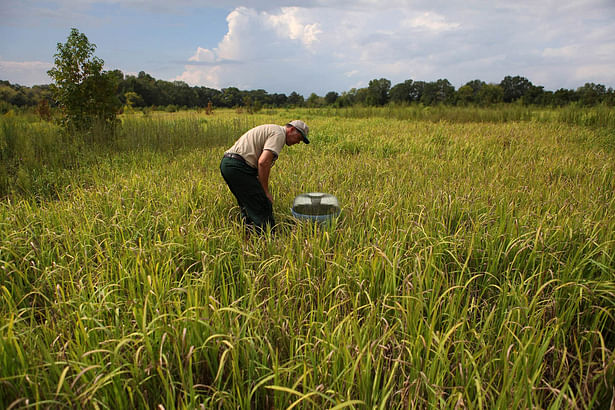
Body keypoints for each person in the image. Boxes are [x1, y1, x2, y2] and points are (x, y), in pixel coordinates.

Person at [220, 120, 310, 232]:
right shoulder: (279, 134)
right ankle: (267, 238)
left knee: (249, 204)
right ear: (292, 129)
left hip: (229, 164)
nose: (298, 142)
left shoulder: (274, 130)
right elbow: (263, 162)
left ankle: (249, 235)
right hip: (238, 167)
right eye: (299, 138)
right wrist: (265, 191)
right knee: (262, 204)